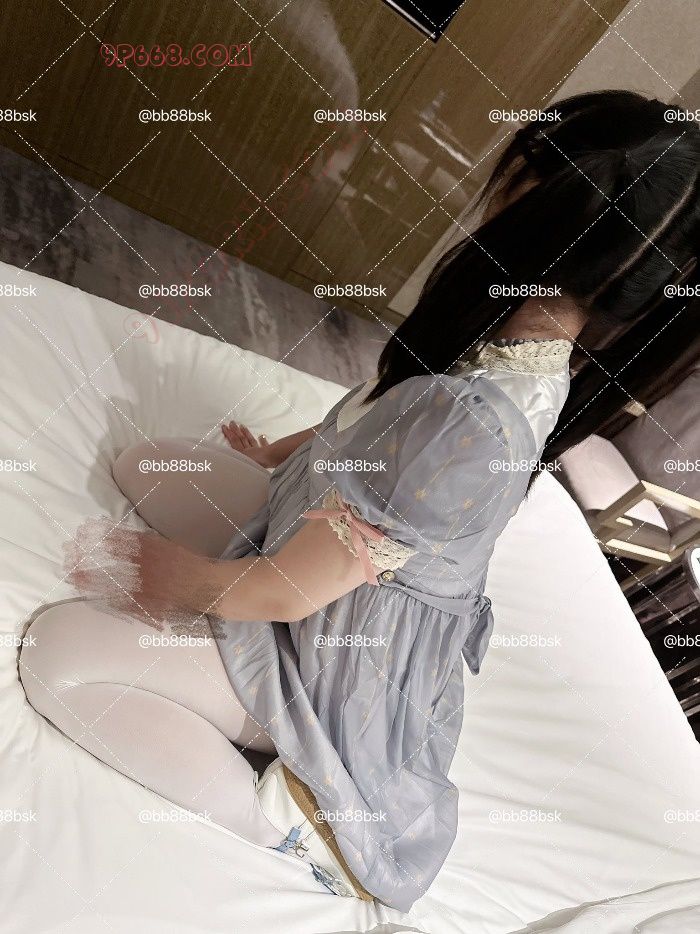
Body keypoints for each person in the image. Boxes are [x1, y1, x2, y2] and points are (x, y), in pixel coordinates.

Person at [19, 90, 700, 911]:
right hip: (314, 540)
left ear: (544, 200)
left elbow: (293, 594)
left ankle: (285, 830)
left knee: (59, 655)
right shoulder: (503, 326)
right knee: (147, 465)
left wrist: (185, 581)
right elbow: (383, 415)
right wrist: (279, 455)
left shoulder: (481, 421)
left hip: (333, 655)